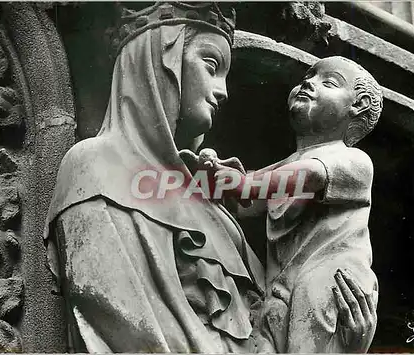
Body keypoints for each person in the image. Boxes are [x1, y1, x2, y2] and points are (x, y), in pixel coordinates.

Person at [44, 2, 376, 353]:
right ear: (158, 61)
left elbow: (270, 331)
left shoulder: (211, 206)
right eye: (211, 65)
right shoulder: (96, 167)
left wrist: (345, 344)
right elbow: (129, 327)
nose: (223, 91)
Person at [213, 56, 383, 353]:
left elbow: (308, 175)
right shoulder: (289, 166)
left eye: (328, 82)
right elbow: (246, 204)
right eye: (308, 76)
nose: (309, 83)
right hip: (283, 287)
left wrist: (244, 184)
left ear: (358, 105)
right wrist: (211, 174)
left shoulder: (352, 160)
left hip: (334, 279)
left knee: (312, 308)